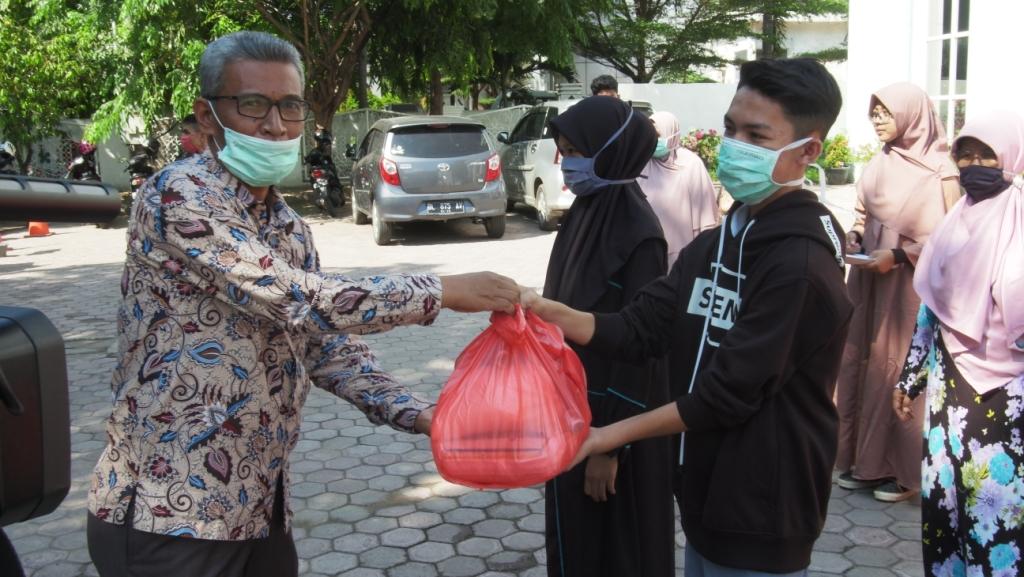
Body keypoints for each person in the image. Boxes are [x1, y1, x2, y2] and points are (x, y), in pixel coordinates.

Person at [85, 31, 518, 577]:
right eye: (252, 105)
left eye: (289, 106)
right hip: (168, 511)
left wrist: (424, 415)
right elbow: (297, 299)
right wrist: (441, 290)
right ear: (206, 114)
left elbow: (324, 344)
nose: (274, 126)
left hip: (257, 504)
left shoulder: (286, 225)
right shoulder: (179, 196)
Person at [524, 58, 852, 576]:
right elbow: (639, 328)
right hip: (704, 497)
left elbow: (726, 394)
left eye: (756, 135)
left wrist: (607, 437)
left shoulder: (799, 267)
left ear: (808, 151)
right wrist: (542, 310)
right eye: (730, 128)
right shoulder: (716, 244)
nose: (733, 146)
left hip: (764, 510)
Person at [543, 95, 674, 577]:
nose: (568, 162)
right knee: (575, 539)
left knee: (617, 548)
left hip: (617, 423)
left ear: (611, 151)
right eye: (563, 150)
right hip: (573, 410)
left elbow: (641, 348)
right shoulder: (583, 214)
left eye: (577, 149)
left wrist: (609, 447)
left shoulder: (640, 234)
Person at [894, 110, 1024, 577]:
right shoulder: (954, 225)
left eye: (984, 155)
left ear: (1008, 158)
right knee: (945, 505)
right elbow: (932, 309)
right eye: (963, 155)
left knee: (995, 514)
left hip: (1006, 399)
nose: (973, 165)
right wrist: (910, 378)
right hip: (950, 393)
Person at [834, 83, 961, 502]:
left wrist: (902, 255)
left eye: (886, 112)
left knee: (901, 367)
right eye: (874, 113)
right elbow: (862, 213)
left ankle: (906, 473)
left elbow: (954, 235)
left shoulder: (941, 168)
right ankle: (865, 463)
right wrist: (855, 235)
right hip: (870, 280)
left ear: (912, 114)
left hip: (911, 286)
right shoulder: (880, 163)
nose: (878, 120)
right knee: (865, 364)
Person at [641, 111, 721, 264]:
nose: (653, 140)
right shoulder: (643, 164)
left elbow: (706, 213)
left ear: (671, 134)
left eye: (658, 135)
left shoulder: (690, 164)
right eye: (650, 135)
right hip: (648, 251)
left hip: (684, 252)